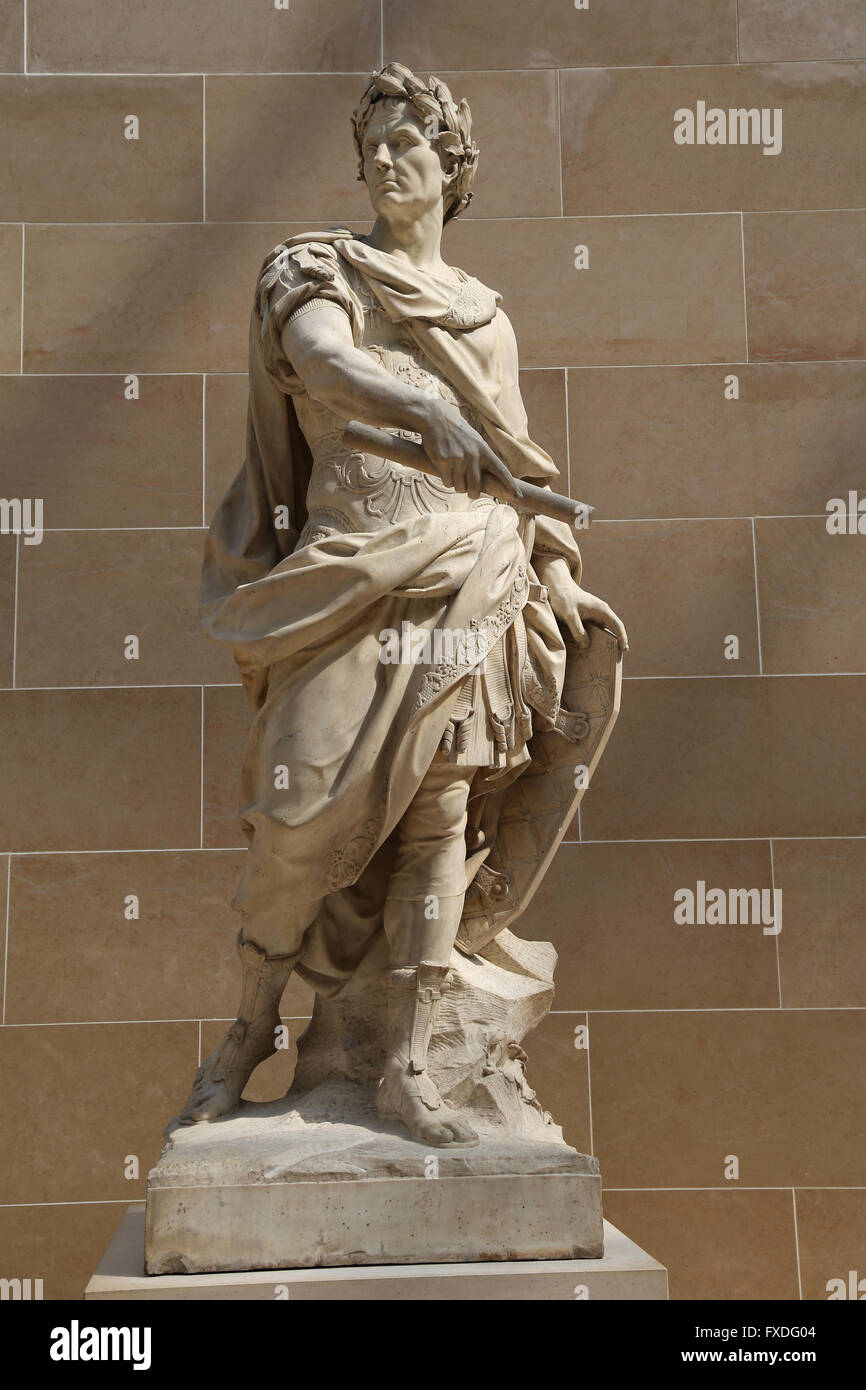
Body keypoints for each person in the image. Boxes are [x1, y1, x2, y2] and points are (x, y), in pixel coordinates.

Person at [180, 62, 627, 1146]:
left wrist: (557, 574)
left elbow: (520, 457)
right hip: (346, 573)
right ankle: (246, 1033)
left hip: (469, 568)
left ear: (450, 169)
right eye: (372, 147)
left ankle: (409, 1066)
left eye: (407, 147)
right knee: (295, 812)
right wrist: (421, 412)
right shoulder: (315, 268)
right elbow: (320, 362)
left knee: (439, 808)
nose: (385, 162)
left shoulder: (483, 316)